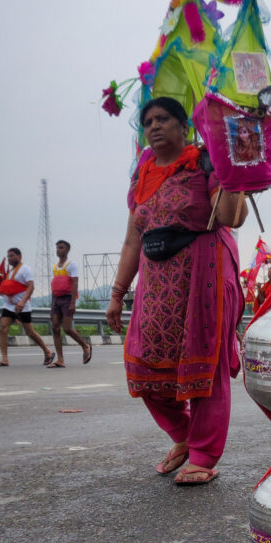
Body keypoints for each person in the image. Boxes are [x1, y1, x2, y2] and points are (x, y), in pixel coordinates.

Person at [106, 97, 247, 485]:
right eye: (148, 120)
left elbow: (231, 217)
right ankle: (184, 436)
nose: (154, 126)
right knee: (144, 367)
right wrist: (118, 293)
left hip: (204, 276)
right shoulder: (142, 176)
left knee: (206, 367)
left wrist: (233, 174)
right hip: (155, 287)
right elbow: (133, 239)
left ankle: (203, 455)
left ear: (184, 126)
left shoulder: (205, 161)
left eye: (163, 118)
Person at [0, 248, 55, 367]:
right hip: (9, 306)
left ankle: (47, 351)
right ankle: (4, 359)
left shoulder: (25, 269)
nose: (9, 258)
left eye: (12, 256)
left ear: (19, 256)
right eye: (8, 256)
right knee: (3, 329)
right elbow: (10, 289)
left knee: (30, 332)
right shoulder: (10, 272)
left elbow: (31, 287)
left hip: (22, 306)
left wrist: (22, 301)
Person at [48, 240, 92, 368]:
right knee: (55, 328)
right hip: (56, 299)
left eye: (61, 247)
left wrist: (73, 303)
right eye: (57, 247)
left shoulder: (71, 265)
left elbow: (75, 283)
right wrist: (52, 304)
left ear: (67, 250)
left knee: (67, 328)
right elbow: (55, 285)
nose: (58, 250)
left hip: (67, 299)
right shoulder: (55, 266)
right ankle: (60, 359)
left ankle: (85, 346)